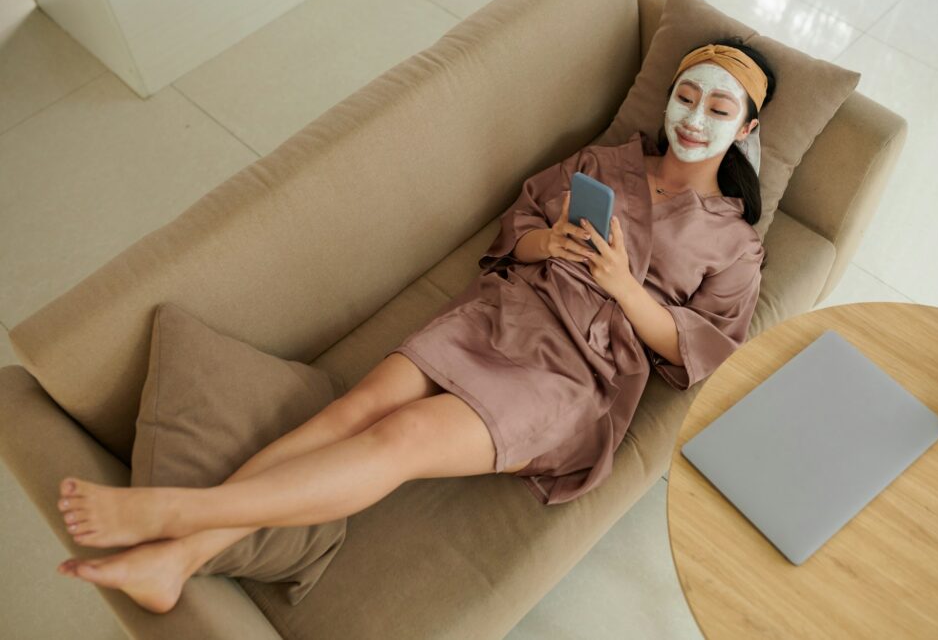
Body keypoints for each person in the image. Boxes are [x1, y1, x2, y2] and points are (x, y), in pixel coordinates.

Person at [52, 38, 776, 614]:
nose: (692, 118)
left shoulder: (735, 242)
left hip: (573, 377)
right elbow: (521, 220)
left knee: (397, 438)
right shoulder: (605, 162)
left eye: (718, 109)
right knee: (355, 409)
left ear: (745, 129)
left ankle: (173, 514)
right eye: (685, 96)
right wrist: (546, 244)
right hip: (509, 311)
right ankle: (175, 558)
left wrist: (623, 286)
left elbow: (704, 348)